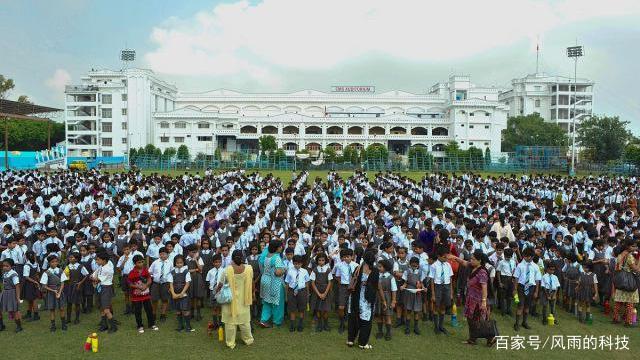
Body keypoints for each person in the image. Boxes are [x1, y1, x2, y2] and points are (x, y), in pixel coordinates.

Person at [449, 249, 497, 346]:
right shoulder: (472, 266)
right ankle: (473, 338)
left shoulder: (482, 271)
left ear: (480, 261)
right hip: (470, 298)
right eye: (471, 259)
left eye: (473, 259)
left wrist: (483, 302)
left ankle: (489, 337)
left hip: (478, 301)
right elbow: (463, 262)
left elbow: (484, 288)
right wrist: (454, 258)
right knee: (471, 319)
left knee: (477, 320)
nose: (471, 260)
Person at [219, 250, 254, 349]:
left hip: (230, 300)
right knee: (245, 322)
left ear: (232, 258)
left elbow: (220, 284)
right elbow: (252, 283)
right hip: (244, 299)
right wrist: (253, 294)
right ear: (242, 257)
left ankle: (230, 343)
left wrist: (216, 292)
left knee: (230, 323)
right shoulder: (249, 268)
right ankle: (248, 340)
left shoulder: (227, 270)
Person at [346, 249, 379, 350]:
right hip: (366, 299)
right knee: (366, 321)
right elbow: (375, 285)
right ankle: (362, 343)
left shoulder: (358, 267)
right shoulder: (375, 270)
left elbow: (353, 279)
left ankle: (350, 340)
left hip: (355, 297)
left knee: (353, 318)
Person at [612, 238, 640, 326]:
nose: (635, 248)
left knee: (618, 302)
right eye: (633, 246)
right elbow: (636, 269)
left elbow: (619, 267)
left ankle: (616, 318)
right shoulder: (629, 256)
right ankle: (628, 321)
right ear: (627, 246)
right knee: (630, 302)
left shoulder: (620, 254)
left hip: (620, 281)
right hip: (629, 282)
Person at [512, 247, 541, 331]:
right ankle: (517, 323)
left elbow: (537, 280)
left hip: (531, 287)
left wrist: (536, 291)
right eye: (524, 256)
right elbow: (516, 278)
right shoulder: (520, 265)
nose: (525, 258)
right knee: (520, 306)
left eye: (527, 256)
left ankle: (524, 322)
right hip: (521, 287)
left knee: (527, 306)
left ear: (532, 257)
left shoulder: (535, 266)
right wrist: (515, 289)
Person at [259, 240, 286, 328]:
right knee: (277, 302)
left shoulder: (266, 256)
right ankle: (276, 322)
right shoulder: (276, 257)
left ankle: (264, 320)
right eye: (281, 246)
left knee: (267, 302)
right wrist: (284, 269)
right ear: (277, 248)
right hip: (274, 283)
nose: (282, 248)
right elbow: (277, 272)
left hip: (265, 280)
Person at [128, 254, 158, 333]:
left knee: (149, 309)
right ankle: (140, 326)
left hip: (146, 294)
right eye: (139, 262)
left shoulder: (145, 270)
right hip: (136, 296)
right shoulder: (132, 273)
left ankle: (151, 324)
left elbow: (149, 279)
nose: (141, 264)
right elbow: (130, 283)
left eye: (142, 262)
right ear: (135, 263)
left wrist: (146, 285)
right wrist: (137, 286)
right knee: (138, 310)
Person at [429, 246, 453, 335]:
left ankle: (441, 326)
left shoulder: (448, 265)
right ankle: (436, 326)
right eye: (444, 257)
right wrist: (433, 294)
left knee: (443, 306)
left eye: (446, 256)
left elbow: (450, 279)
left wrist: (451, 292)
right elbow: (431, 280)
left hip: (446, 286)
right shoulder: (434, 266)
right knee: (436, 306)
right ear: (438, 256)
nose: (446, 258)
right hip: (437, 286)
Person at [92, 251, 117, 333]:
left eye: (98, 260)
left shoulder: (107, 269)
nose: (96, 261)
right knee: (101, 308)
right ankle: (104, 325)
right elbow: (93, 275)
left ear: (104, 260)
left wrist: (93, 278)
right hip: (100, 288)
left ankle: (113, 326)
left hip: (106, 288)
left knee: (106, 309)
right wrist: (93, 277)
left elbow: (96, 279)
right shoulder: (101, 267)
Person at [40, 255, 67, 332]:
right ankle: (53, 325)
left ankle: (63, 324)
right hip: (51, 293)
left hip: (59, 292)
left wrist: (59, 292)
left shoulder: (61, 271)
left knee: (61, 308)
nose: (54, 263)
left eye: (56, 261)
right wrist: (53, 291)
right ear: (49, 263)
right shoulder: (46, 273)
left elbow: (62, 283)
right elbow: (44, 285)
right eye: (52, 262)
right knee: (52, 309)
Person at [168, 254, 193, 332]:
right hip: (175, 293)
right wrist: (173, 294)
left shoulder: (186, 271)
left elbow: (187, 283)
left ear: (183, 263)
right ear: (175, 263)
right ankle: (180, 325)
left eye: (181, 263)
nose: (179, 264)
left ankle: (188, 326)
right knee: (178, 310)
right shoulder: (172, 272)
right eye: (177, 263)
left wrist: (182, 293)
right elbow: (171, 283)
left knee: (185, 310)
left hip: (184, 293)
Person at [374, 259, 397, 341]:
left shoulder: (391, 277)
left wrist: (393, 301)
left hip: (387, 297)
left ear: (385, 268)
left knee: (387, 316)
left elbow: (394, 290)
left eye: (380, 267)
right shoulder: (377, 275)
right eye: (378, 266)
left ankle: (388, 332)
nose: (378, 268)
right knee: (379, 315)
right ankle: (380, 332)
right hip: (378, 297)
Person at [64, 252, 88, 324]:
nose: (70, 259)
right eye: (69, 257)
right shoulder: (68, 266)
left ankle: (77, 318)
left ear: (77, 259)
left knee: (77, 303)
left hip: (77, 286)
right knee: (69, 303)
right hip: (69, 286)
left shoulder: (80, 267)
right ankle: (68, 318)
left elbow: (86, 275)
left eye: (72, 257)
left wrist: (80, 282)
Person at [310, 252, 333, 332]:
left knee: (326, 309)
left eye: (323, 260)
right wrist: (319, 294)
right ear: (317, 261)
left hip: (326, 291)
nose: (321, 262)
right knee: (318, 309)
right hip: (317, 291)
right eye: (319, 260)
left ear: (325, 261)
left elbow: (330, 282)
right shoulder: (315, 270)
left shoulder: (328, 269)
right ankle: (319, 324)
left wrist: (325, 293)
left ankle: (325, 324)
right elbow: (312, 282)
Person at [0, 259, 22, 332]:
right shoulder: (5, 273)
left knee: (15, 310)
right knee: (9, 309)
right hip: (6, 293)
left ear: (12, 266)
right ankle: (1, 324)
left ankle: (19, 326)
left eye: (7, 266)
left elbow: (17, 286)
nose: (5, 267)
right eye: (3, 266)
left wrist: (18, 297)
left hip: (12, 293)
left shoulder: (13, 274)